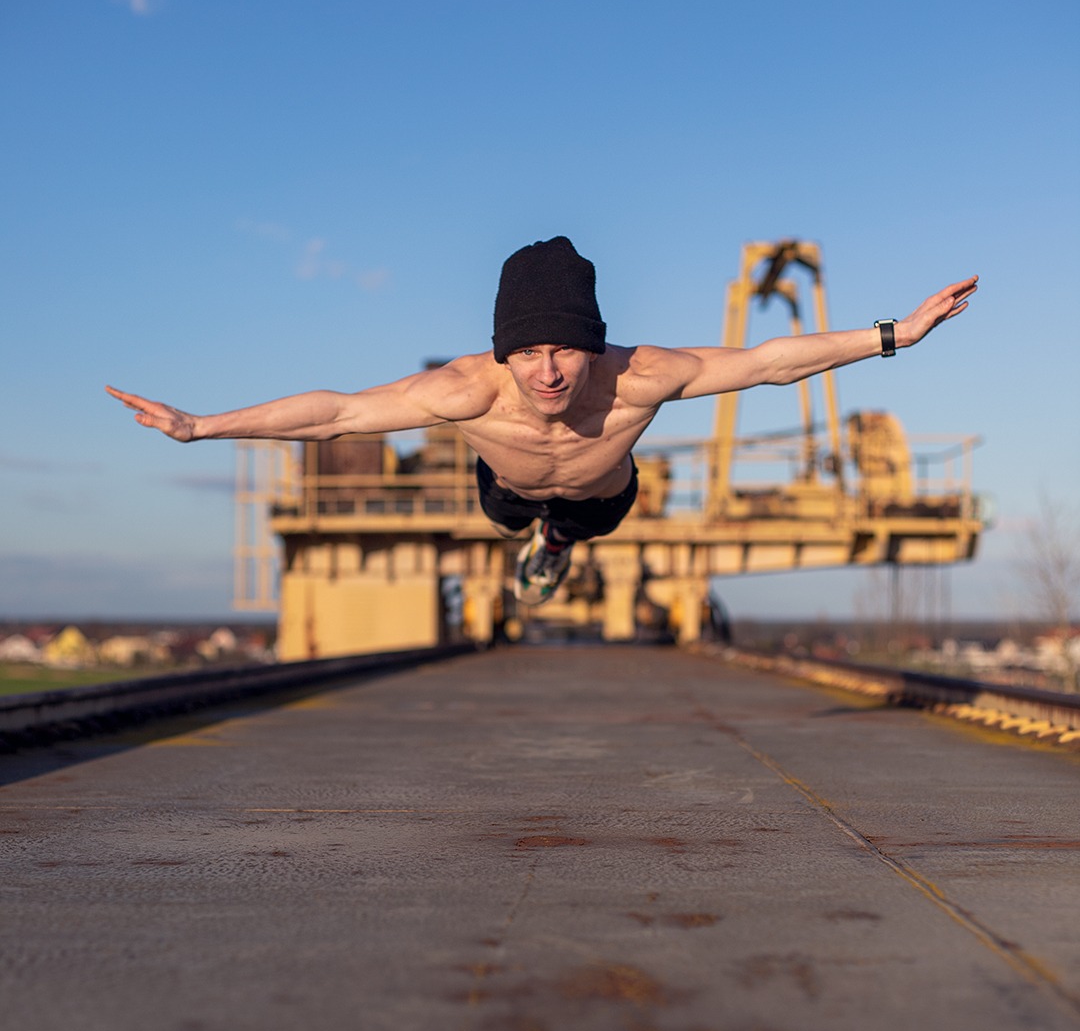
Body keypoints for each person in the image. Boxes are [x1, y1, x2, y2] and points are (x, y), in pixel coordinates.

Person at [107, 236, 977, 604]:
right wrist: (200, 426)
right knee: (514, 505)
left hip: (605, 494)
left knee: (579, 514)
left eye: (566, 350)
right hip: (506, 484)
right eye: (529, 354)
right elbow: (336, 413)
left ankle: (559, 544)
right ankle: (537, 535)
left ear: (593, 345)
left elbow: (767, 364)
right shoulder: (467, 390)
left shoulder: (638, 378)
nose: (550, 372)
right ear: (503, 353)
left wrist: (898, 331)